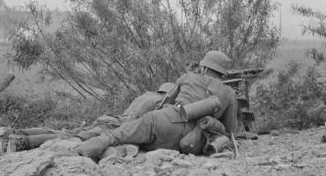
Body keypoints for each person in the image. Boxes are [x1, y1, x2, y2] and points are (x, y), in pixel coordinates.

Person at [75, 51, 237, 160]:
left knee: (117, 135)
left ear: (203, 67)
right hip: (189, 140)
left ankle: (91, 147)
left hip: (162, 121)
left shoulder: (188, 77)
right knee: (147, 143)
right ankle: (126, 148)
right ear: (222, 73)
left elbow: (164, 102)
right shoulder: (229, 93)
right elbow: (229, 129)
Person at [3, 82, 175, 152]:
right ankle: (21, 142)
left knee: (66, 132)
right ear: (169, 92)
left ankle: (18, 132)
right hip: (115, 126)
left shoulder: (145, 94)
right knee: (72, 137)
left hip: (110, 118)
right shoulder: (160, 100)